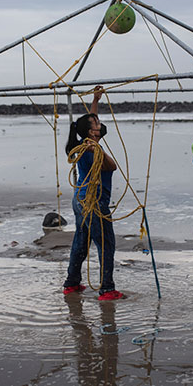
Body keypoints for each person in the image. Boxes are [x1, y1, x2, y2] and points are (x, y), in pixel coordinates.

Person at [63, 86, 123, 301]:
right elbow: (112, 166)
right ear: (91, 132)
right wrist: (100, 150)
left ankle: (71, 283)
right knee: (106, 243)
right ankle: (107, 290)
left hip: (79, 199)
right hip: (93, 201)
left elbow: (92, 117)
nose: (100, 124)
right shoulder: (90, 150)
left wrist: (95, 99)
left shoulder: (84, 143)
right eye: (97, 125)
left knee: (81, 240)